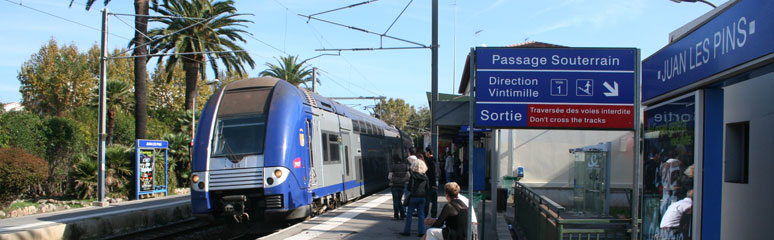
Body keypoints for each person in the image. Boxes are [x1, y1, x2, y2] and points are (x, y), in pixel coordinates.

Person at [400, 160, 429, 237]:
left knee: (409, 215)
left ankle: (407, 231)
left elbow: (409, 187)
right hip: (422, 197)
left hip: (413, 197)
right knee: (421, 215)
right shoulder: (425, 176)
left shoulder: (413, 176)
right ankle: (421, 232)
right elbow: (427, 188)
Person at [388, 155, 410, 220]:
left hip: (394, 186)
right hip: (402, 185)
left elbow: (389, 177)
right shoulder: (405, 166)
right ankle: (402, 214)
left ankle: (396, 216)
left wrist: (394, 179)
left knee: (395, 201)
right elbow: (409, 176)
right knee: (399, 200)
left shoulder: (393, 166)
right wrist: (403, 180)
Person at [424, 147, 439, 217]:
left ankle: (425, 214)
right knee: (434, 200)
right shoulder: (435, 160)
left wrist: (432, 183)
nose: (425, 153)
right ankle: (434, 215)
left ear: (428, 152)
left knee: (427, 199)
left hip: (430, 182)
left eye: (426, 152)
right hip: (435, 181)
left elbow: (431, 173)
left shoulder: (429, 161)